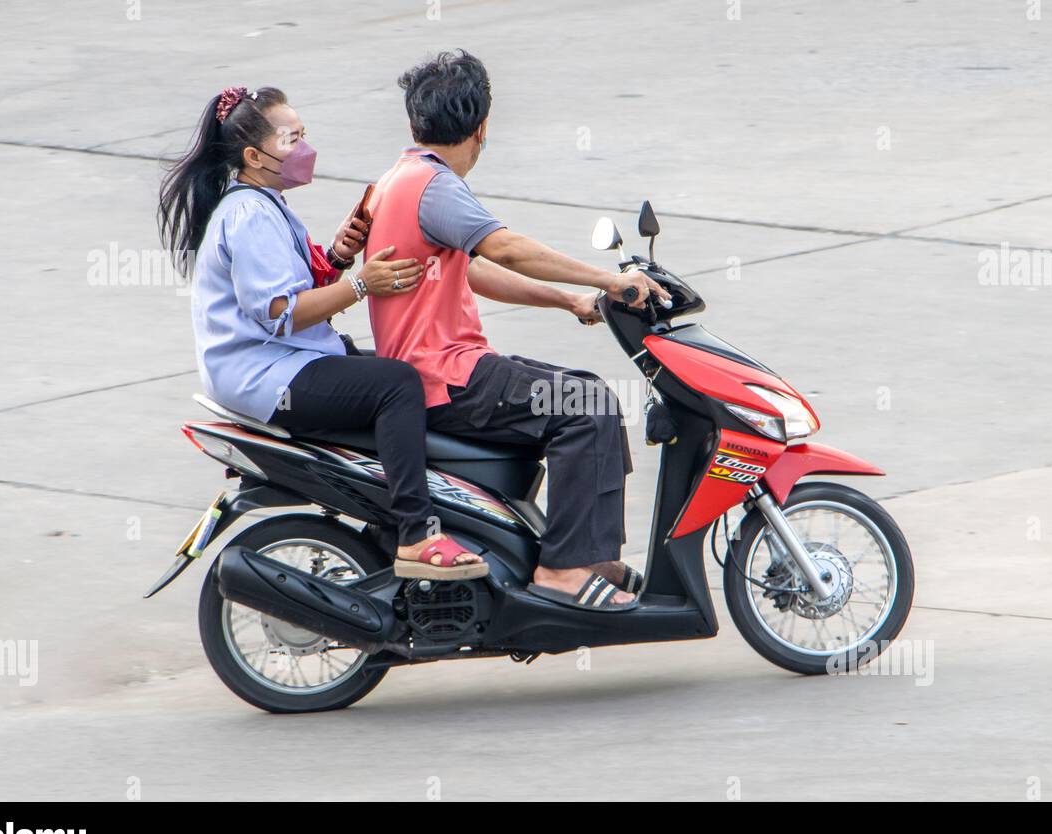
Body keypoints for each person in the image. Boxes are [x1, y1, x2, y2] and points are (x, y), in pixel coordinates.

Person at [362, 52, 671, 610]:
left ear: (416, 122)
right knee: (586, 404)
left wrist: (570, 299)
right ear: (482, 129)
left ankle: (587, 552)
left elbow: (473, 269)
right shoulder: (434, 185)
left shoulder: (395, 182)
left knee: (585, 392)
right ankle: (562, 571)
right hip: (446, 376)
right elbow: (503, 248)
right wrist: (611, 278)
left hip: (441, 369)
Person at [157, 85, 485, 579]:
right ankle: (417, 534)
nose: (305, 150)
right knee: (397, 385)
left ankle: (392, 514)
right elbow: (281, 312)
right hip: (265, 373)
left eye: (303, 135)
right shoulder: (248, 215)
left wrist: (336, 257)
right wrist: (360, 284)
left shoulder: (265, 203)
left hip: (281, 360)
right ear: (254, 154)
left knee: (402, 368)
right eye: (292, 140)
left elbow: (292, 292)